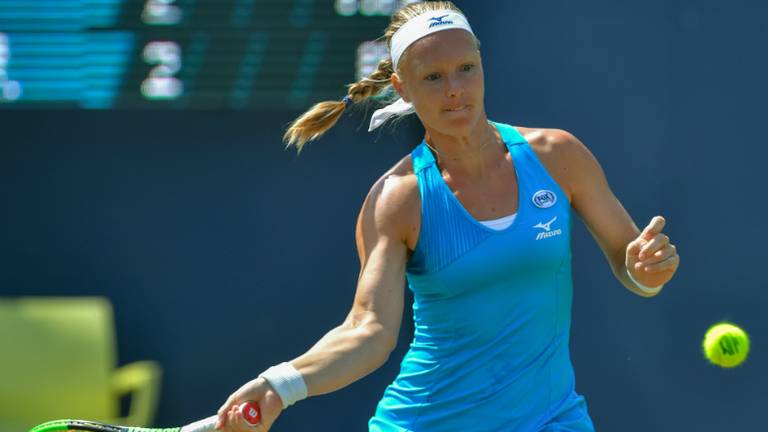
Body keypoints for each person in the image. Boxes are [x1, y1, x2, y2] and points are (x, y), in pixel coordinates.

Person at [215, 2, 680, 431]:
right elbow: (368, 331)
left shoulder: (558, 156)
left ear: (482, 65)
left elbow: (632, 266)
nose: (455, 90)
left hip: (552, 420)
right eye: (433, 77)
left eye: (465, 69)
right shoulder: (398, 199)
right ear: (401, 87)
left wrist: (646, 269)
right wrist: (280, 385)